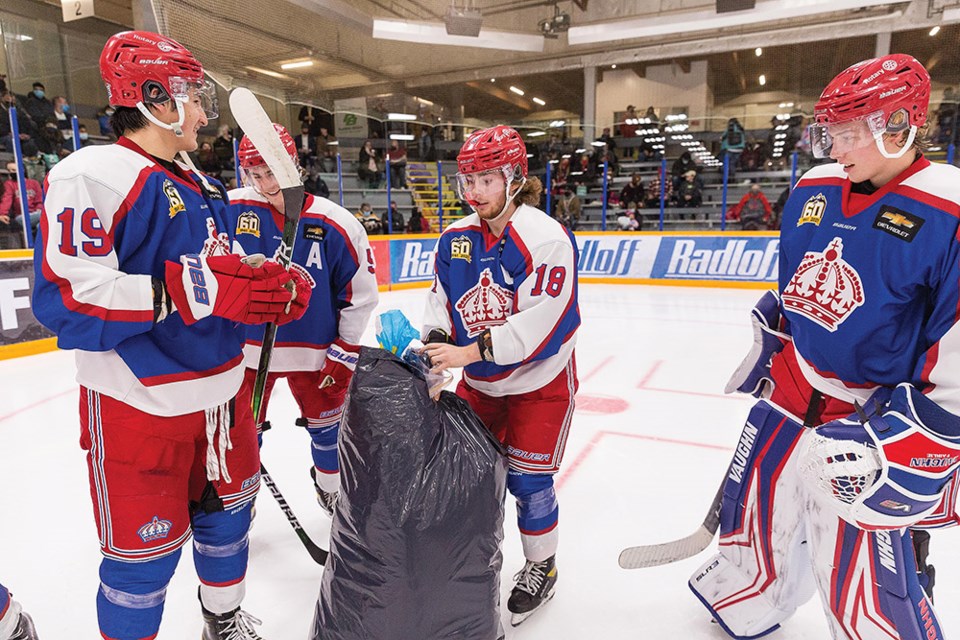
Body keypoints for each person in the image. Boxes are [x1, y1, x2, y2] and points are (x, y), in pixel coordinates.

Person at [31, 30, 310, 640]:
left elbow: (218, 272)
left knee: (228, 527)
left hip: (226, 402)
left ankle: (224, 619)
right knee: (141, 563)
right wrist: (189, 290)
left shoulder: (201, 184)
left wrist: (264, 285)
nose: (205, 112)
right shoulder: (93, 175)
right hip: (140, 407)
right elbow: (67, 298)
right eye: (192, 95)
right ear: (155, 98)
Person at [689, 53, 960, 640]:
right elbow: (796, 283)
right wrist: (777, 336)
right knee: (760, 505)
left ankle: (905, 585)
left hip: (879, 415)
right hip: (798, 383)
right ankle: (751, 589)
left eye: (849, 133)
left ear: (900, 124)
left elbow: (956, 350)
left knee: (871, 571)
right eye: (829, 132)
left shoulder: (950, 209)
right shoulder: (815, 187)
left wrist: (925, 442)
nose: (835, 149)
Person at [421, 125, 581, 628]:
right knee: (471, 477)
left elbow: (543, 327)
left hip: (540, 383)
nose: (474, 193)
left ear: (515, 176)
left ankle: (541, 566)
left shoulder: (545, 238)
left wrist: (465, 353)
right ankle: (474, 562)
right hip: (483, 383)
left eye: (487, 179)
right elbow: (441, 301)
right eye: (468, 180)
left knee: (529, 481)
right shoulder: (455, 238)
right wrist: (433, 349)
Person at [230, 123, 378, 515]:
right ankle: (241, 499)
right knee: (243, 433)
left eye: (272, 172)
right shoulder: (231, 208)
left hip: (316, 353)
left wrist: (345, 349)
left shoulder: (336, 221)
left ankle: (329, 488)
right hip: (245, 351)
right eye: (256, 175)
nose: (265, 183)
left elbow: (359, 294)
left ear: (292, 164)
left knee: (328, 430)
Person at [0, 161, 43, 241]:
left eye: (13, 170)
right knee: (45, 215)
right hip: (21, 217)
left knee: (40, 225)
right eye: (9, 171)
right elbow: (6, 199)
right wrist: (2, 214)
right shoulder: (9, 184)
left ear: (22, 169)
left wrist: (39, 208)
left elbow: (40, 200)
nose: (11, 173)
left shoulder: (34, 183)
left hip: (36, 214)